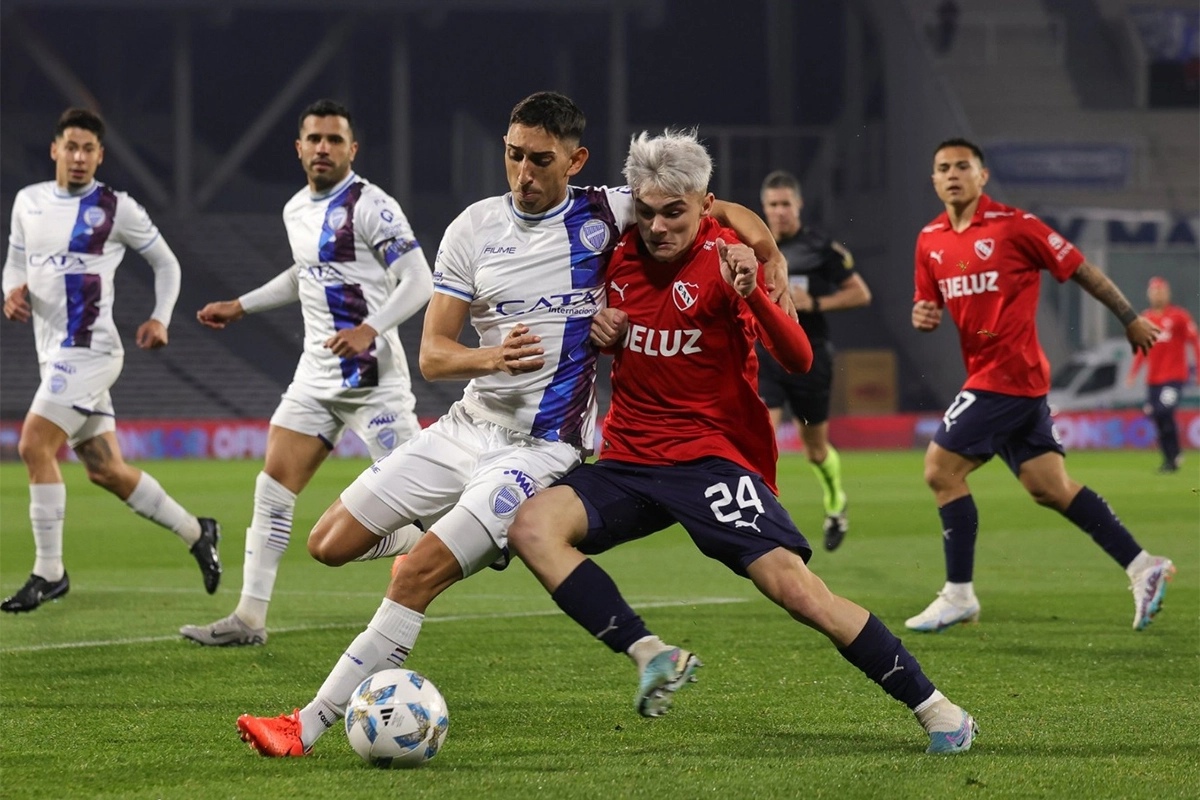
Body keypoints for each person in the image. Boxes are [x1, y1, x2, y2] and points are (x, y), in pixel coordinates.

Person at [232, 92, 790, 757]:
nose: (523, 173)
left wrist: (766, 254)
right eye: (513, 156)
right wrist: (488, 356)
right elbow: (434, 353)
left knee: (415, 578)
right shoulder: (474, 227)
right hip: (467, 425)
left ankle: (306, 725)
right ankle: (465, 536)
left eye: (540, 161)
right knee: (328, 543)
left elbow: (717, 208)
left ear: (575, 161)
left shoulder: (606, 211)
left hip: (540, 453)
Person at [507, 129, 976, 754]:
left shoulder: (729, 260)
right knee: (531, 528)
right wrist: (596, 324)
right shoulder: (612, 253)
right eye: (646, 212)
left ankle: (938, 709)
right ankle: (651, 653)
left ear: (705, 205)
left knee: (797, 591)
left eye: (675, 212)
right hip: (628, 460)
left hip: (710, 460)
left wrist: (757, 290)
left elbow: (801, 359)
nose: (657, 227)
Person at [179, 99, 433, 646]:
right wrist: (241, 305)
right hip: (316, 376)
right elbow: (305, 274)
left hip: (374, 379)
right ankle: (249, 618)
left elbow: (418, 279)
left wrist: (371, 327)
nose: (323, 147)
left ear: (352, 150)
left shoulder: (372, 205)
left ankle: (457, 534)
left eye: (334, 140)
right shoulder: (296, 208)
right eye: (314, 139)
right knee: (272, 488)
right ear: (299, 148)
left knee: (428, 501)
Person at [906, 137, 1175, 634]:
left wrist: (1130, 318)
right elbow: (929, 308)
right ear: (934, 179)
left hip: (1007, 376)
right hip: (997, 378)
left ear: (982, 176)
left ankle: (958, 594)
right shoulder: (930, 240)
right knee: (1049, 488)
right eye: (943, 167)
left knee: (940, 470)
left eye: (963, 166)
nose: (952, 174)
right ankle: (1144, 566)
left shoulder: (1015, 227)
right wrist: (924, 316)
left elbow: (1081, 270)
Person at [1, 108, 221, 613]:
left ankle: (49, 573)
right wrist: (10, 290)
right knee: (107, 470)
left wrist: (161, 317)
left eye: (89, 150)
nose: (79, 157)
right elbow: (15, 258)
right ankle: (197, 532)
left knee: (34, 445)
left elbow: (166, 262)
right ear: (55, 150)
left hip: (91, 351)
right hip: (52, 353)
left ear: (100, 156)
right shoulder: (28, 202)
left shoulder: (116, 208)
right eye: (71, 147)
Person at [758, 170, 871, 550]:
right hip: (765, 355)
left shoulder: (821, 248)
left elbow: (860, 294)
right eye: (772, 205)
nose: (779, 212)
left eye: (785, 204)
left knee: (815, 449)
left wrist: (816, 303)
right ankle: (762, 521)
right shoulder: (752, 244)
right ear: (764, 208)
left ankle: (836, 503)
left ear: (799, 205)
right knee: (761, 435)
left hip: (810, 357)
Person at [1125, 276, 1199, 473]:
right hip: (1153, 380)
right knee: (1157, 417)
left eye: (1161, 291)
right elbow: (1142, 348)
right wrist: (1134, 372)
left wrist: (1198, 370)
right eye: (1154, 291)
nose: (1158, 294)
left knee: (1164, 411)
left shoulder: (1179, 316)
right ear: (1149, 294)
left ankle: (1174, 453)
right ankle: (1170, 458)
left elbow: (1195, 341)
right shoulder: (1145, 319)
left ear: (1168, 293)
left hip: (1174, 377)